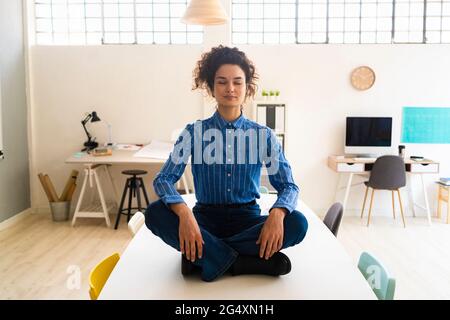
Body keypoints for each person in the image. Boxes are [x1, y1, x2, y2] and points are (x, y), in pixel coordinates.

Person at [145, 45, 308, 282]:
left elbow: (289, 186)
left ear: (247, 88)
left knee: (298, 223)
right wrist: (184, 213)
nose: (230, 88)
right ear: (211, 87)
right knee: (155, 213)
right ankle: (243, 261)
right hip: (204, 220)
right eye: (222, 82)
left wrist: (278, 213)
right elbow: (164, 179)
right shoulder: (193, 133)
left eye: (237, 82)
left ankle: (207, 256)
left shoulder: (263, 136)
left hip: (249, 220)